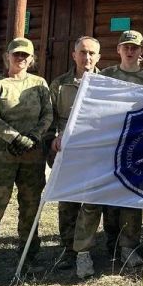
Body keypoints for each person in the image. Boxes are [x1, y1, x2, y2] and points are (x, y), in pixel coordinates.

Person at [0, 37, 52, 286]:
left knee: (30, 209)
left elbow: (47, 114)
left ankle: (29, 260)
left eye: (25, 55)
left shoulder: (39, 84)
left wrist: (33, 138)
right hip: (2, 156)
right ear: (7, 56)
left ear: (31, 59)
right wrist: (15, 137)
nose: (21, 58)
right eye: (16, 54)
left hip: (32, 155)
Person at [73, 30, 143, 278]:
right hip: (106, 148)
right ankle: (83, 253)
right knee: (91, 200)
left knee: (131, 200)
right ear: (118, 50)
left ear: (141, 51)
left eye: (135, 47)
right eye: (126, 47)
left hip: (136, 150)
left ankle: (128, 247)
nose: (130, 51)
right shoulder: (106, 76)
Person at [46, 36, 101, 270]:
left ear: (98, 56)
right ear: (74, 54)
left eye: (91, 53)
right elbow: (49, 119)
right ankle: (68, 249)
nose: (86, 57)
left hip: (93, 153)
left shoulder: (105, 84)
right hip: (67, 153)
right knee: (67, 203)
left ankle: (84, 251)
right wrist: (53, 138)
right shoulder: (59, 85)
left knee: (90, 203)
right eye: (82, 52)